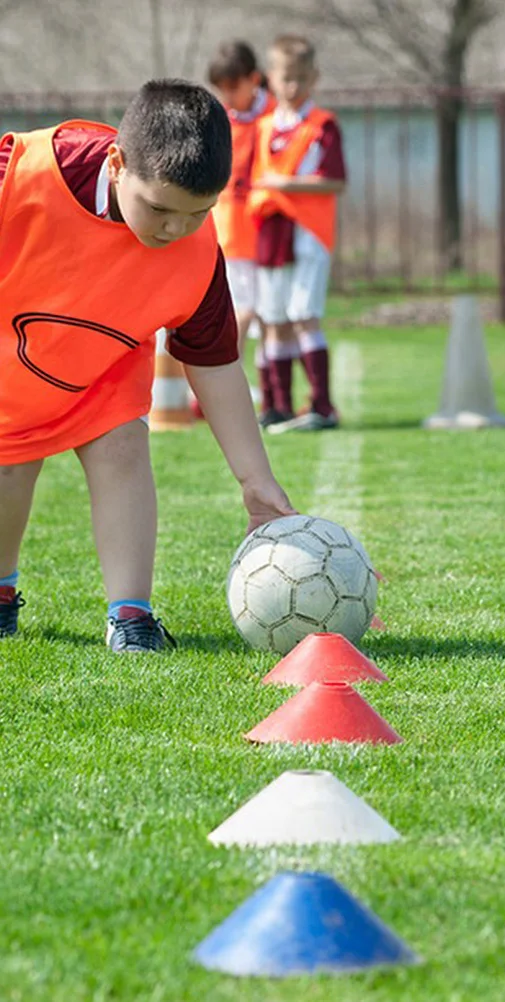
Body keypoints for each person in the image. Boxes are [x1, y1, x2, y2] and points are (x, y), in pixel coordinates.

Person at [0, 80, 296, 651]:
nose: (174, 230)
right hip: (11, 359)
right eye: (159, 208)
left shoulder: (198, 254)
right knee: (10, 471)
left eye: (198, 213)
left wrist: (256, 483)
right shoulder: (21, 175)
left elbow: (213, 364)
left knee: (122, 451)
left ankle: (131, 615)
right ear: (117, 163)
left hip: (102, 369)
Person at [249, 34, 346, 433]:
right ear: (270, 78)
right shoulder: (265, 126)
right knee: (273, 317)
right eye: (285, 78)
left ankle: (322, 404)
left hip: (308, 233)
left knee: (304, 314)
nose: (291, 87)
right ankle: (279, 405)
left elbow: (335, 180)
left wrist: (287, 185)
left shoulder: (322, 126)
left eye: (300, 79)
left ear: (314, 79)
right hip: (271, 232)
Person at [207, 40, 276, 411]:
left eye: (233, 87)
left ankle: (271, 394)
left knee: (270, 316)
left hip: (271, 233)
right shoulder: (222, 119)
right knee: (241, 312)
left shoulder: (276, 117)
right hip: (232, 232)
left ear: (254, 79)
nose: (228, 97)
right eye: (222, 90)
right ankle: (218, 393)